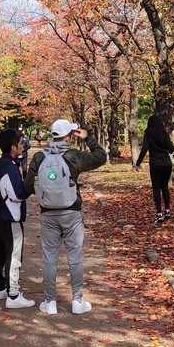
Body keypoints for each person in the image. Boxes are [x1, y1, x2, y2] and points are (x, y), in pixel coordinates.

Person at [25, 119, 106, 315]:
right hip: (71, 212)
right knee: (75, 257)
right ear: (69, 136)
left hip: (48, 215)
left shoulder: (38, 157)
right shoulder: (74, 155)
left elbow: (28, 187)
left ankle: (50, 302)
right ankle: (77, 301)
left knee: (49, 258)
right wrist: (88, 138)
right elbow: (100, 157)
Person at [0, 130, 35, 309]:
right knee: (13, 255)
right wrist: (31, 186)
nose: (23, 146)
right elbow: (17, 194)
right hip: (11, 217)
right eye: (21, 143)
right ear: (13, 147)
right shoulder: (10, 167)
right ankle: (13, 295)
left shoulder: (0, 164)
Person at [134, 114, 174, 224]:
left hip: (155, 163)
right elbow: (171, 149)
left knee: (156, 188)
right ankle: (167, 211)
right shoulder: (164, 133)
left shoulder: (148, 133)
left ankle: (159, 214)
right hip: (167, 163)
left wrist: (138, 162)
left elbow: (144, 149)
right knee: (165, 187)